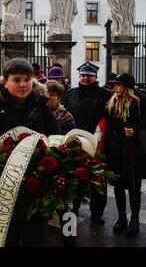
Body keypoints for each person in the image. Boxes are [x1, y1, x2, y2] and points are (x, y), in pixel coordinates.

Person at [0, 58, 60, 247]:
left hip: (38, 186)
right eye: (17, 79)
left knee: (36, 240)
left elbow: (55, 138)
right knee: (3, 240)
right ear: (5, 82)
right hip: (4, 188)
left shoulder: (42, 106)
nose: (23, 84)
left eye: (27, 79)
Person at [62, 61, 113, 224]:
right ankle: (74, 208)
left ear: (96, 77)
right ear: (79, 76)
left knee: (98, 179)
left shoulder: (105, 95)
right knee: (75, 177)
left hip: (98, 143)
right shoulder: (70, 93)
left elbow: (110, 120)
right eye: (83, 75)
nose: (85, 78)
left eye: (89, 76)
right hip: (75, 143)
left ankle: (97, 212)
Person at [104, 73, 146, 236]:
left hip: (133, 152)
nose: (114, 88)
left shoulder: (141, 101)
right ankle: (121, 218)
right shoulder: (112, 102)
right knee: (118, 186)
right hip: (116, 151)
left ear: (127, 87)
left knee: (134, 186)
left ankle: (134, 219)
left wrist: (135, 132)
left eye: (118, 85)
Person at [46, 80, 77, 247]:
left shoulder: (66, 116)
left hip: (61, 163)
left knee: (66, 206)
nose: (49, 98)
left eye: (53, 95)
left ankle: (70, 239)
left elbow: (69, 140)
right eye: (46, 94)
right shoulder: (38, 113)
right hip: (43, 164)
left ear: (59, 97)